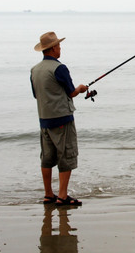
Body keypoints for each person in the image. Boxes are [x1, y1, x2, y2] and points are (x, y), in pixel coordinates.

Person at [30, 31, 88, 206]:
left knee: (47, 158)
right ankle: (62, 196)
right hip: (62, 119)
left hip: (44, 121)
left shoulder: (34, 70)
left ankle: (48, 194)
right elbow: (71, 92)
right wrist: (81, 88)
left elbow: (36, 95)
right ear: (53, 48)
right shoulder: (59, 68)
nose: (60, 48)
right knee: (66, 156)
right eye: (59, 46)